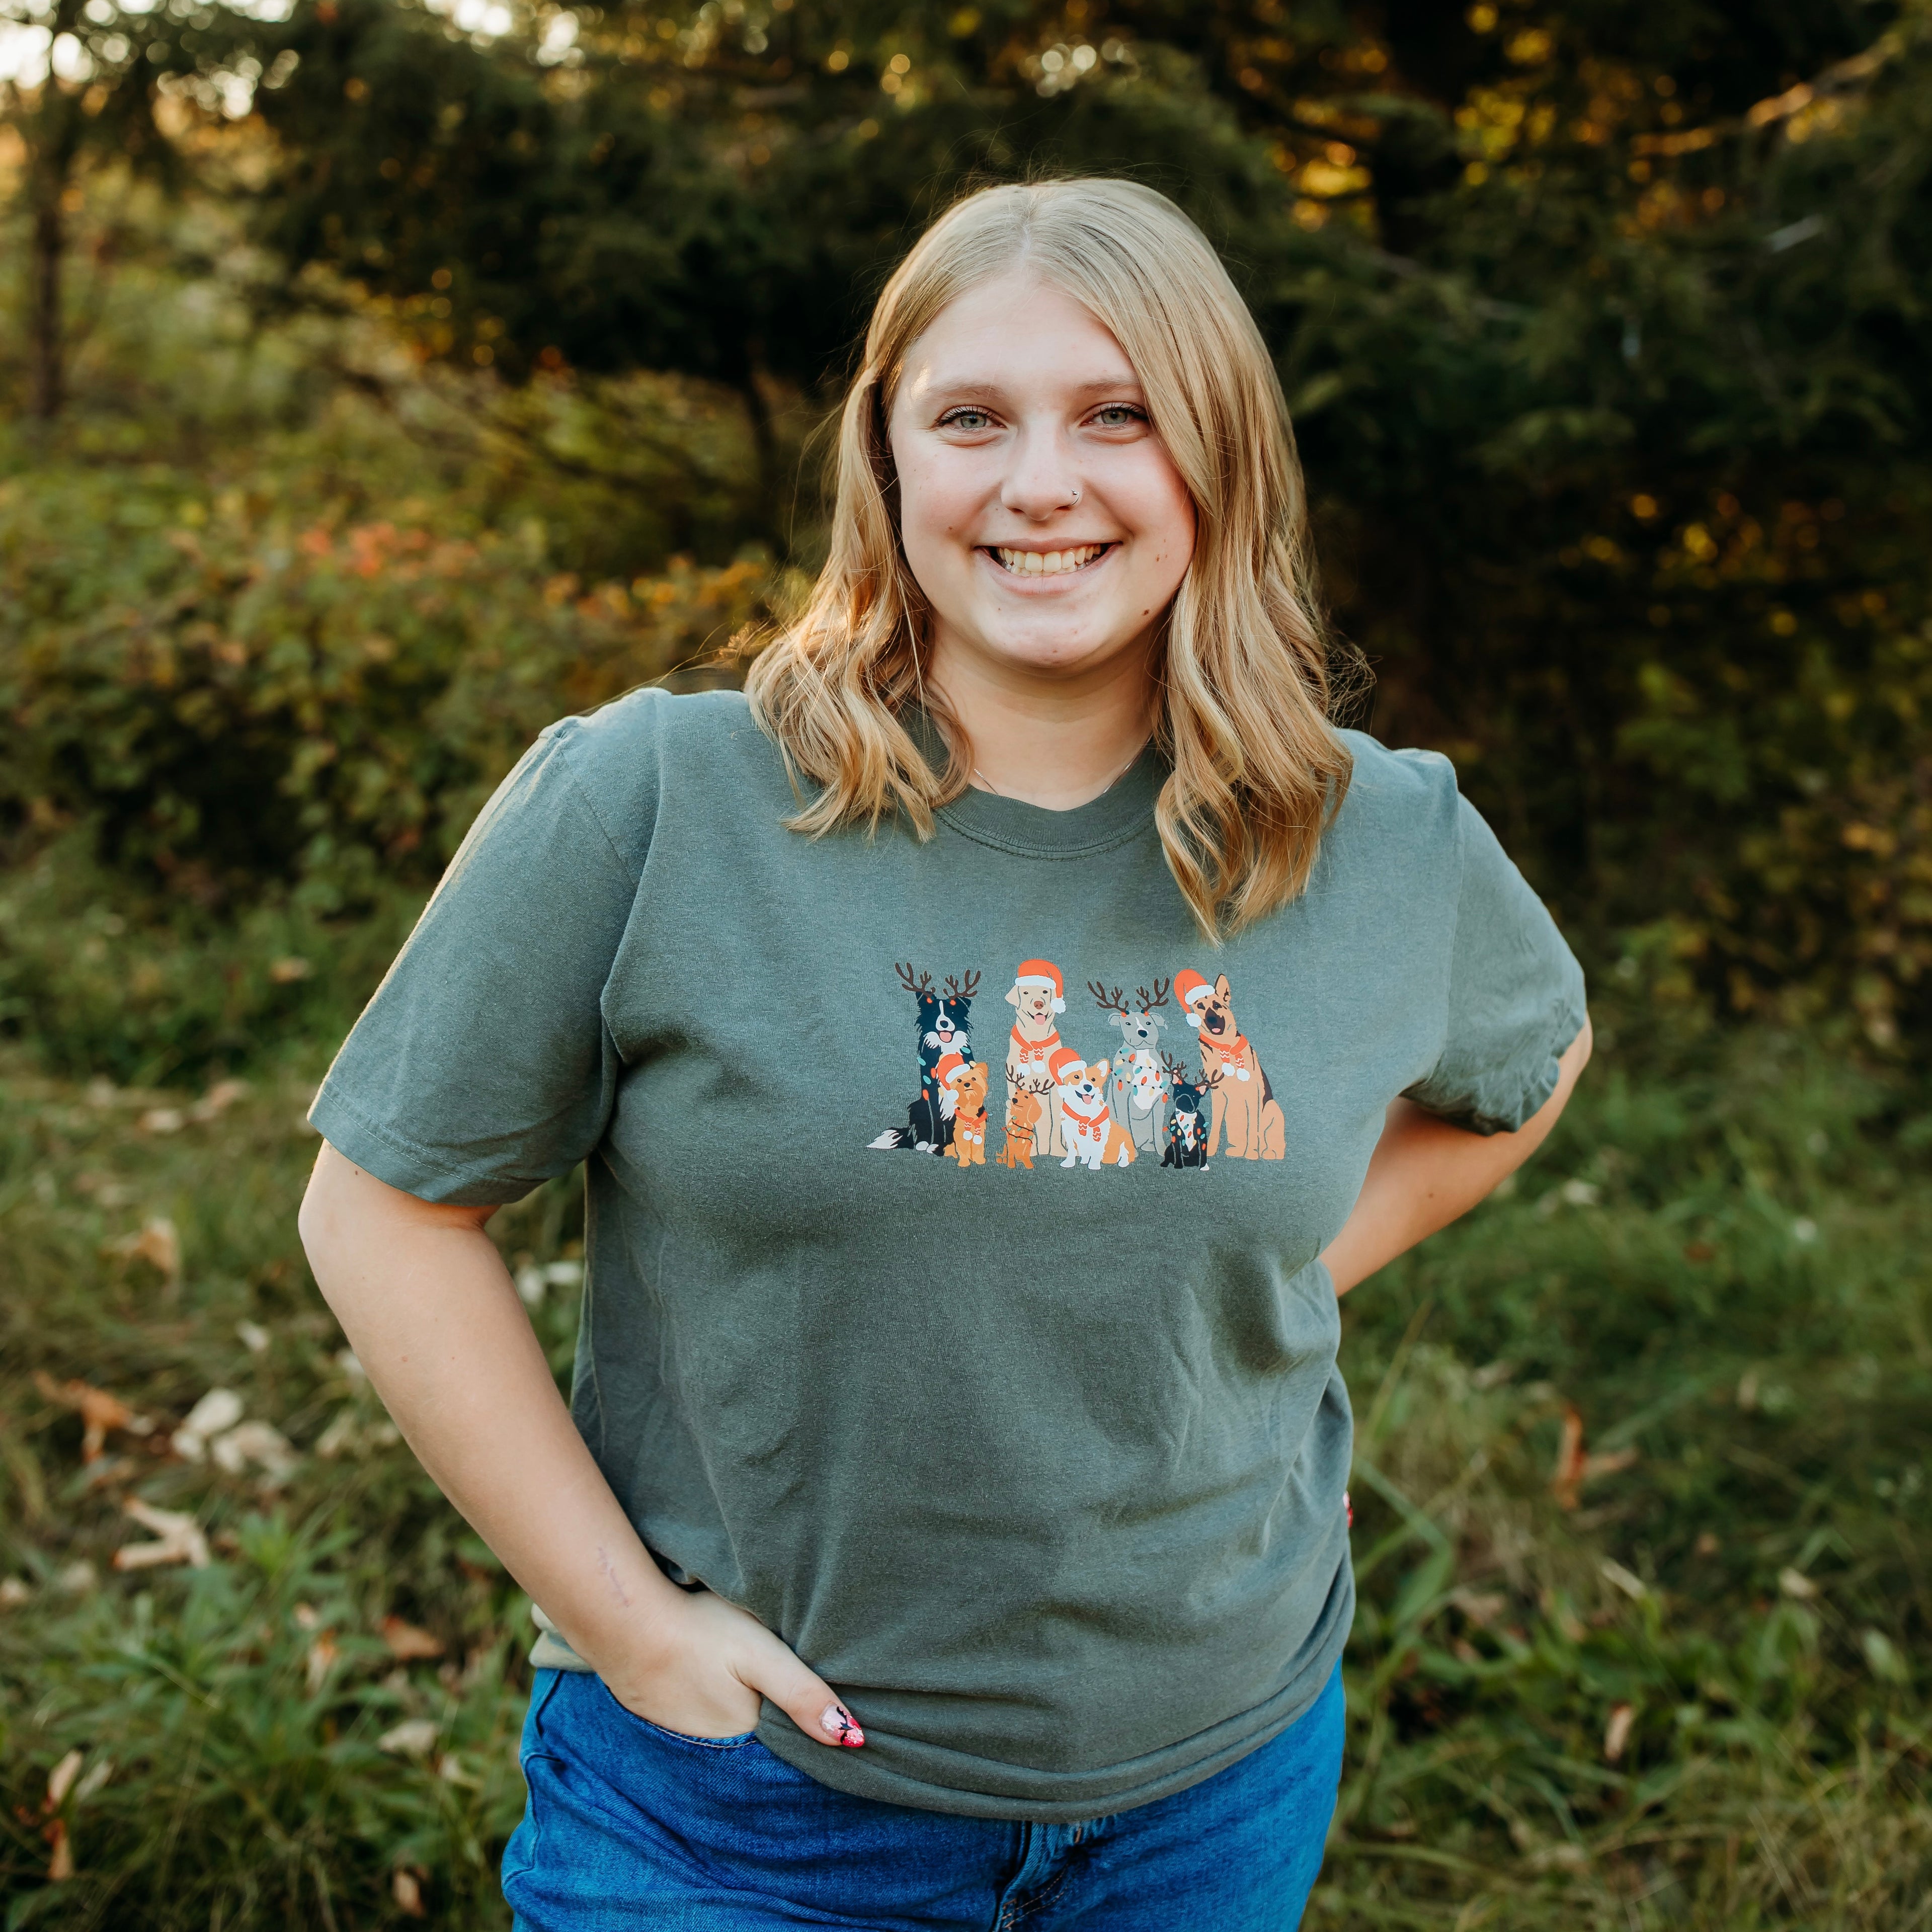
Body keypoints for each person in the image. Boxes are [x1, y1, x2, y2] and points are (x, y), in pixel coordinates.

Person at [298, 177, 1590, 1929]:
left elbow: (1537, 1058)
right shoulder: (660, 803)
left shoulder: (1384, 842)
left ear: (1220, 457)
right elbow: (381, 1211)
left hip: (1212, 1790)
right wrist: (624, 1625)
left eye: (1118, 415)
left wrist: (1294, 1259)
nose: (1040, 482)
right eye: (971, 418)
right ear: (886, 462)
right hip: (740, 1805)